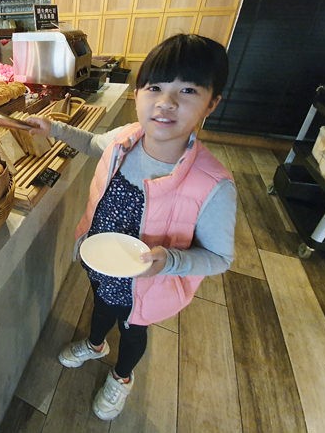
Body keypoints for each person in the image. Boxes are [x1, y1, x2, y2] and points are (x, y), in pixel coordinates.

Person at [26, 34, 237, 421]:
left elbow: (220, 258)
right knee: (102, 305)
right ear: (138, 92)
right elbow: (94, 144)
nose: (166, 102)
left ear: (212, 102)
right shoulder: (126, 138)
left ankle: (122, 376)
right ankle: (94, 344)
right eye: (154, 87)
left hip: (149, 281)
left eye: (187, 90)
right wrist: (53, 129)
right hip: (102, 261)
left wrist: (171, 261)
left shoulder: (213, 185)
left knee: (133, 328)